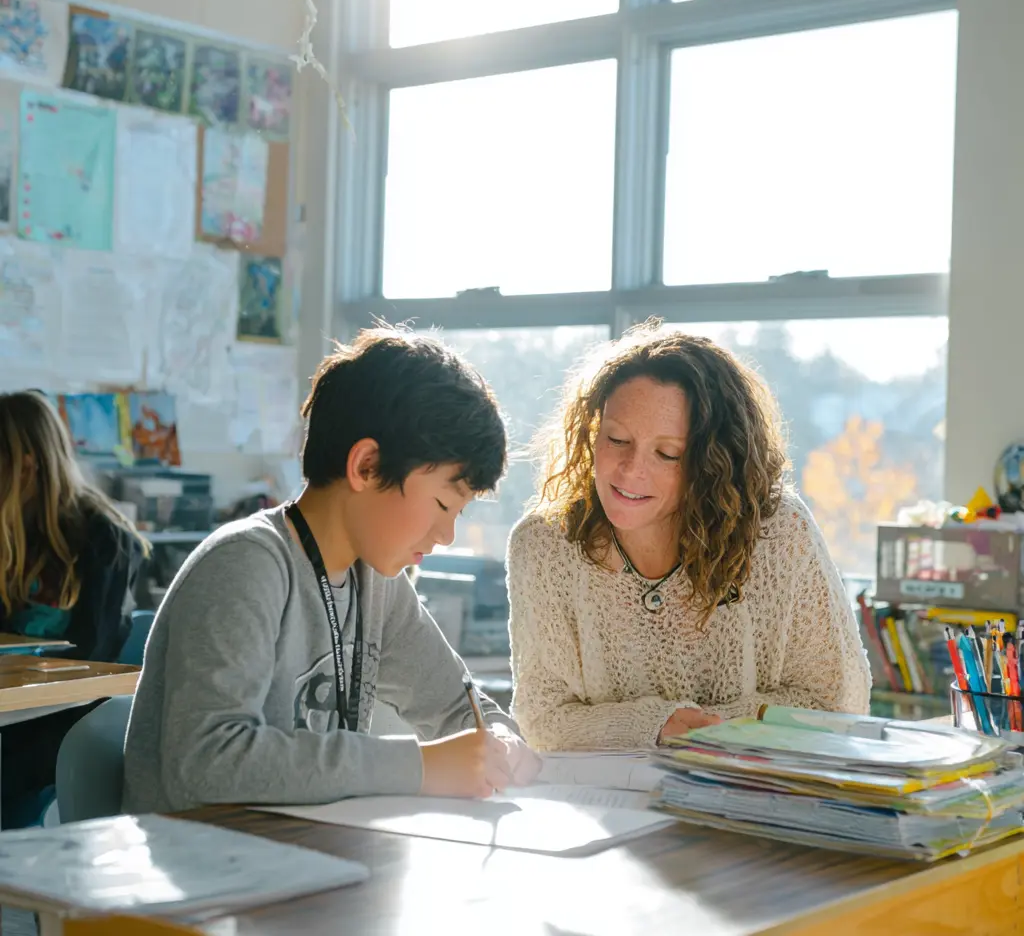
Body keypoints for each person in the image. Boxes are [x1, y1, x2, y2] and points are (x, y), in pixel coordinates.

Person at [124, 327, 539, 815]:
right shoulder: (246, 564)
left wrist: (502, 743)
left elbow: (458, 708)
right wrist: (420, 767)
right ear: (366, 466)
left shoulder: (379, 582)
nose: (446, 534)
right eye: (443, 503)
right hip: (206, 865)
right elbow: (205, 765)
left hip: (306, 854)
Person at [507, 323, 871, 752]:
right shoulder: (543, 545)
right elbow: (542, 718)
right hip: (606, 809)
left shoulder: (779, 533)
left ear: (714, 462)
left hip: (753, 802)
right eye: (617, 439)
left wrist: (694, 729)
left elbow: (837, 704)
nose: (630, 470)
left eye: (667, 454)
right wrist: (657, 725)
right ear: (591, 434)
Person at [0, 390, 148, 827]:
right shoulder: (10, 535)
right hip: (15, 714)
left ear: (26, 463)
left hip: (66, 724)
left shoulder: (105, 540)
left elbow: (92, 662)